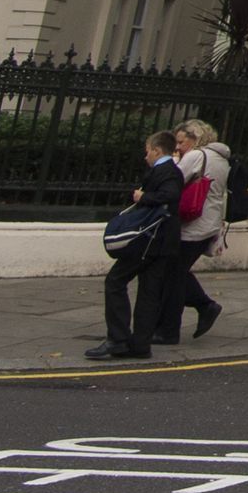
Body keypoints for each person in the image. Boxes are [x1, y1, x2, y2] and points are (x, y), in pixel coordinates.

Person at [89, 129, 188, 360]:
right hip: (161, 243)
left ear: (156, 150)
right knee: (149, 293)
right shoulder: (170, 170)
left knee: (115, 281)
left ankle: (118, 338)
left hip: (148, 240)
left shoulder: (166, 171)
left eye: (147, 152)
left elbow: (170, 195)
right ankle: (140, 344)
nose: (145, 157)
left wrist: (142, 197)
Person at [154, 118, 230, 345]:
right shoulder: (221, 159)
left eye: (181, 141)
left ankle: (171, 329)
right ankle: (204, 307)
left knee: (173, 275)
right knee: (176, 272)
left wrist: (175, 161)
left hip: (192, 225)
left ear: (196, 139)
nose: (177, 147)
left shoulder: (197, 156)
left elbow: (172, 178)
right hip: (208, 224)